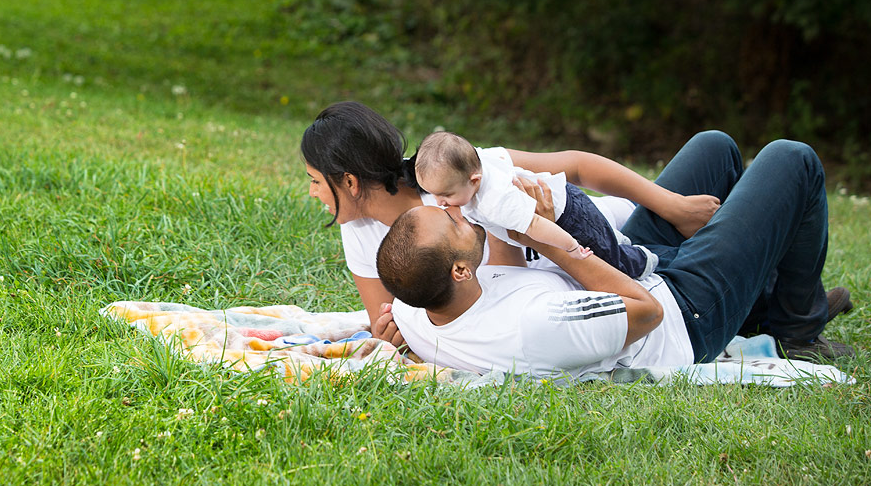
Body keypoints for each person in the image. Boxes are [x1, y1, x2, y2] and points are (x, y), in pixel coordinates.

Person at [373, 131, 856, 372]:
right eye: (452, 218)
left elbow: (402, 302)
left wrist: (388, 330)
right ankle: (795, 328)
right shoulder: (531, 325)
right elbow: (642, 312)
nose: (455, 210)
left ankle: (762, 301)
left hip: (627, 260)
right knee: (792, 160)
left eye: (444, 204)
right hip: (679, 313)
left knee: (715, 148)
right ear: (459, 270)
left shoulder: (421, 304)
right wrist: (546, 236)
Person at [300, 101, 721, 334]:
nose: (313, 192)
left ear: (350, 182)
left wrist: (673, 206)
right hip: (616, 283)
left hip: (618, 240)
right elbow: (388, 322)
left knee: (713, 147)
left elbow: (575, 165)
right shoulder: (360, 233)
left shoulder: (449, 174)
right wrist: (395, 334)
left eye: (315, 181)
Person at [414, 130, 657, 279]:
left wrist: (571, 246)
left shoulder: (495, 201)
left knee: (609, 262)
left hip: (568, 218)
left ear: (474, 180)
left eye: (445, 194)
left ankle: (647, 259)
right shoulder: (476, 161)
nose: (440, 202)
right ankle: (614, 239)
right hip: (566, 199)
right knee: (603, 239)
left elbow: (537, 224)